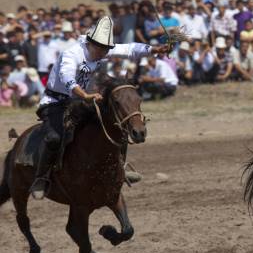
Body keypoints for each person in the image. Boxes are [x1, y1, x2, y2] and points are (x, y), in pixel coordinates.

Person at [30, 16, 170, 200]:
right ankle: (41, 177)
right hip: (55, 102)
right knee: (54, 137)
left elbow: (128, 49)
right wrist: (85, 95)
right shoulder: (72, 55)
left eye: (107, 49)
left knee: (115, 123)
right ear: (89, 43)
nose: (105, 53)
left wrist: (156, 50)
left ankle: (121, 166)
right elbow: (67, 78)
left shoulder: (101, 49)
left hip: (79, 100)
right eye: (102, 49)